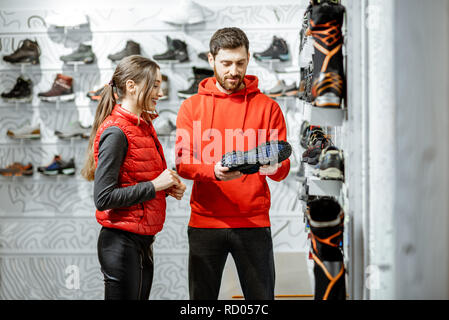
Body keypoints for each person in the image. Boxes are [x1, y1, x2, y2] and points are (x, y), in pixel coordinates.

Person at [175, 27, 290, 300]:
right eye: (226, 63)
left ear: (248, 58)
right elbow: (182, 164)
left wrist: (267, 165)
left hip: (253, 223)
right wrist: (213, 171)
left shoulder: (268, 107)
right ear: (211, 60)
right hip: (205, 223)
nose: (233, 71)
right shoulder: (190, 107)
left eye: (240, 62)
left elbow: (283, 171)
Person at [81, 55, 186, 300]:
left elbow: (134, 176)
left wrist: (166, 187)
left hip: (141, 239)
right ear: (131, 86)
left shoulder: (142, 126)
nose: (160, 93)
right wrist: (154, 185)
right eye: (156, 85)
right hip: (120, 242)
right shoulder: (117, 132)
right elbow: (104, 197)